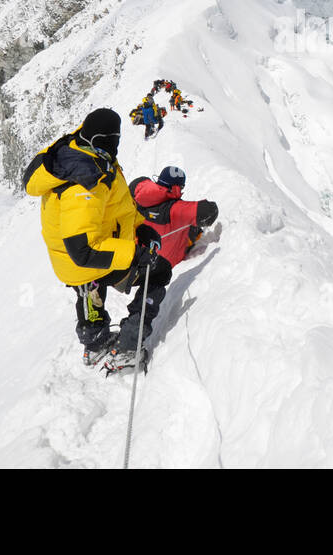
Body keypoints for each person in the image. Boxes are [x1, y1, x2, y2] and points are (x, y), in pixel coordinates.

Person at [22, 108, 164, 367]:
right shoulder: (85, 180)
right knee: (158, 271)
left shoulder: (84, 153)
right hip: (81, 260)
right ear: (106, 138)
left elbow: (116, 208)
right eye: (116, 139)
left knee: (91, 289)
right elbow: (84, 249)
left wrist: (140, 227)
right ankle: (128, 345)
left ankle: (95, 340)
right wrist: (135, 253)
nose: (118, 144)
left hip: (71, 260)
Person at [129, 166, 220, 268]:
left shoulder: (137, 189)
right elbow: (210, 211)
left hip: (134, 256)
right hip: (161, 264)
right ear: (176, 188)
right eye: (181, 188)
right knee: (191, 225)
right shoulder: (175, 209)